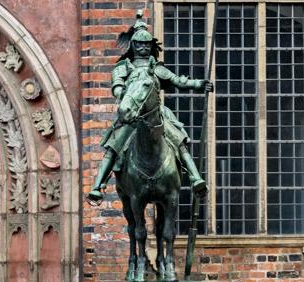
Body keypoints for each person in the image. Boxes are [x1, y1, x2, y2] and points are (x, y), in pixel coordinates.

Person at [88, 13, 212, 201]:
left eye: (147, 44)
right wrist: (123, 95)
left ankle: (195, 178)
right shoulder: (123, 67)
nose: (144, 47)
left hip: (157, 114)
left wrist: (198, 84)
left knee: (178, 140)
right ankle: (98, 186)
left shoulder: (156, 68)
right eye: (140, 44)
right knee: (114, 146)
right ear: (133, 45)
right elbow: (117, 86)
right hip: (132, 115)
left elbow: (177, 81)